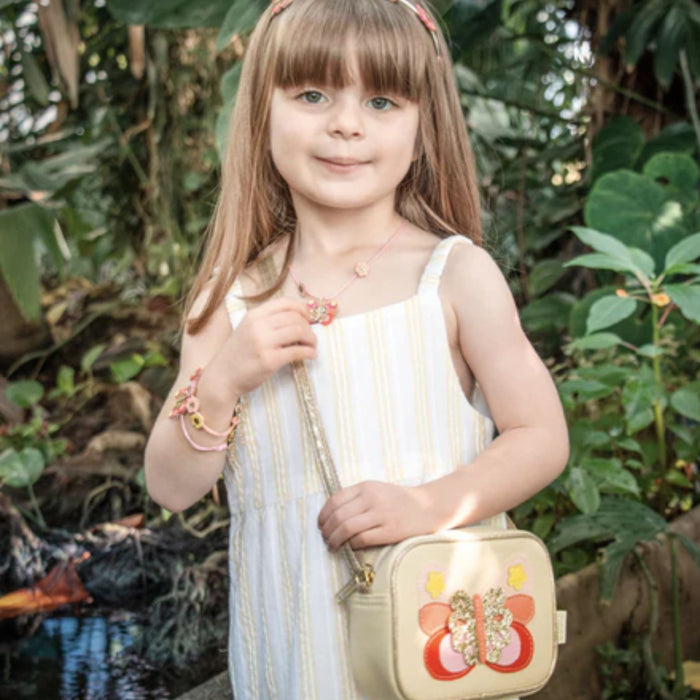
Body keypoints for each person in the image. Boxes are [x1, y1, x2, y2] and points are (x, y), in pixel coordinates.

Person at [144, 0, 570, 697]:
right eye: (312, 95)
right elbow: (168, 486)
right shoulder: (231, 299)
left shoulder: (455, 276)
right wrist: (221, 382)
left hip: (434, 643)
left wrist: (429, 505)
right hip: (294, 648)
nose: (346, 123)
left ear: (423, 129)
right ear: (262, 112)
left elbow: (542, 436)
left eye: (381, 101)